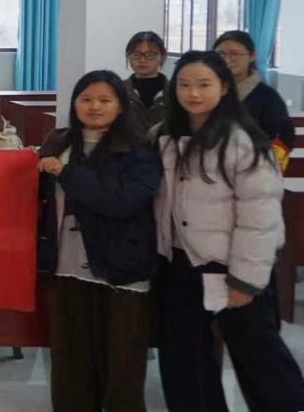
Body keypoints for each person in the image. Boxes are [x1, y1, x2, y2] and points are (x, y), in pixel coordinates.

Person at [154, 51, 304, 411]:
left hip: (230, 269)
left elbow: (260, 218)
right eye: (185, 85)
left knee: (259, 359)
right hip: (181, 265)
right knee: (184, 359)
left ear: (223, 88)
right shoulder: (164, 138)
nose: (193, 93)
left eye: (204, 84)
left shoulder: (244, 141)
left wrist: (245, 280)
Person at [35, 71, 159, 412]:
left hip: (121, 267)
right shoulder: (58, 142)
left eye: (105, 100)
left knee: (122, 364)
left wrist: (66, 173)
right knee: (70, 360)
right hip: (65, 265)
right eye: (86, 99)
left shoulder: (139, 150)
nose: (94, 107)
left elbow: (122, 200)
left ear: (121, 105)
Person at [213, 30, 294, 170]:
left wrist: (260, 167)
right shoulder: (205, 91)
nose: (226, 59)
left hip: (252, 169)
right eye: (220, 54)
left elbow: (284, 137)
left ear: (252, 56)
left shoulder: (268, 97)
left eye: (235, 54)